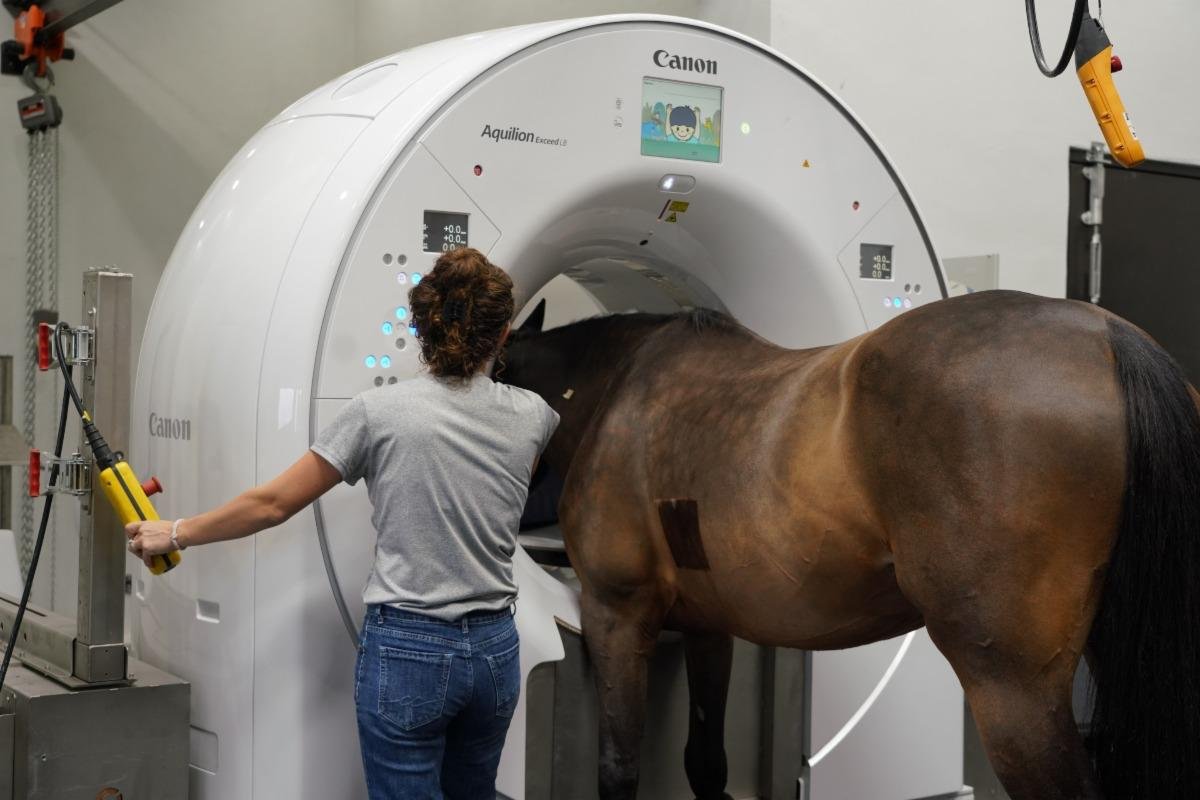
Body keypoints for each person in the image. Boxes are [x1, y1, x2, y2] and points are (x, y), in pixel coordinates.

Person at [127, 247, 560, 799]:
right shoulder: (534, 415)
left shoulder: (378, 413)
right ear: (502, 335)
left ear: (422, 327)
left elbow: (272, 503)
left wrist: (176, 531)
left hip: (410, 648)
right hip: (495, 650)